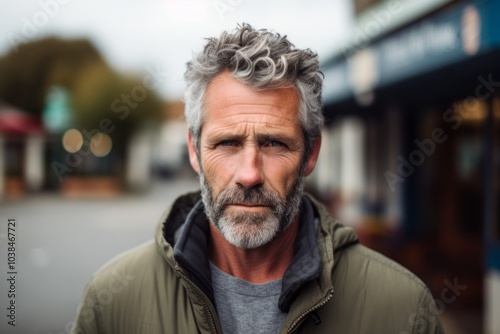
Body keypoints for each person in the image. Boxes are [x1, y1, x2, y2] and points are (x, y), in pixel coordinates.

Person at [71, 24, 444, 334]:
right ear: (194, 149)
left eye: (275, 144)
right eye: (228, 143)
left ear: (310, 153)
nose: (249, 174)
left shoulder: (402, 309)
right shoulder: (112, 302)